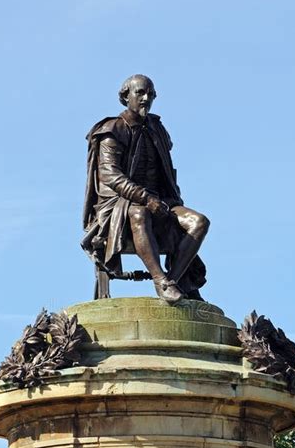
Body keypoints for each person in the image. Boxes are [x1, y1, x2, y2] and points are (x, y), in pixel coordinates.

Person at [82, 74, 209, 304]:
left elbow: (167, 173)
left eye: (150, 94)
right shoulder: (113, 129)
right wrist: (145, 197)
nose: (146, 98)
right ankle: (161, 281)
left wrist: (166, 201)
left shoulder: (156, 129)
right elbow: (111, 175)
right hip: (119, 204)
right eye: (140, 93)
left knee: (199, 221)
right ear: (125, 96)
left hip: (160, 201)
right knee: (138, 212)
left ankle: (173, 280)